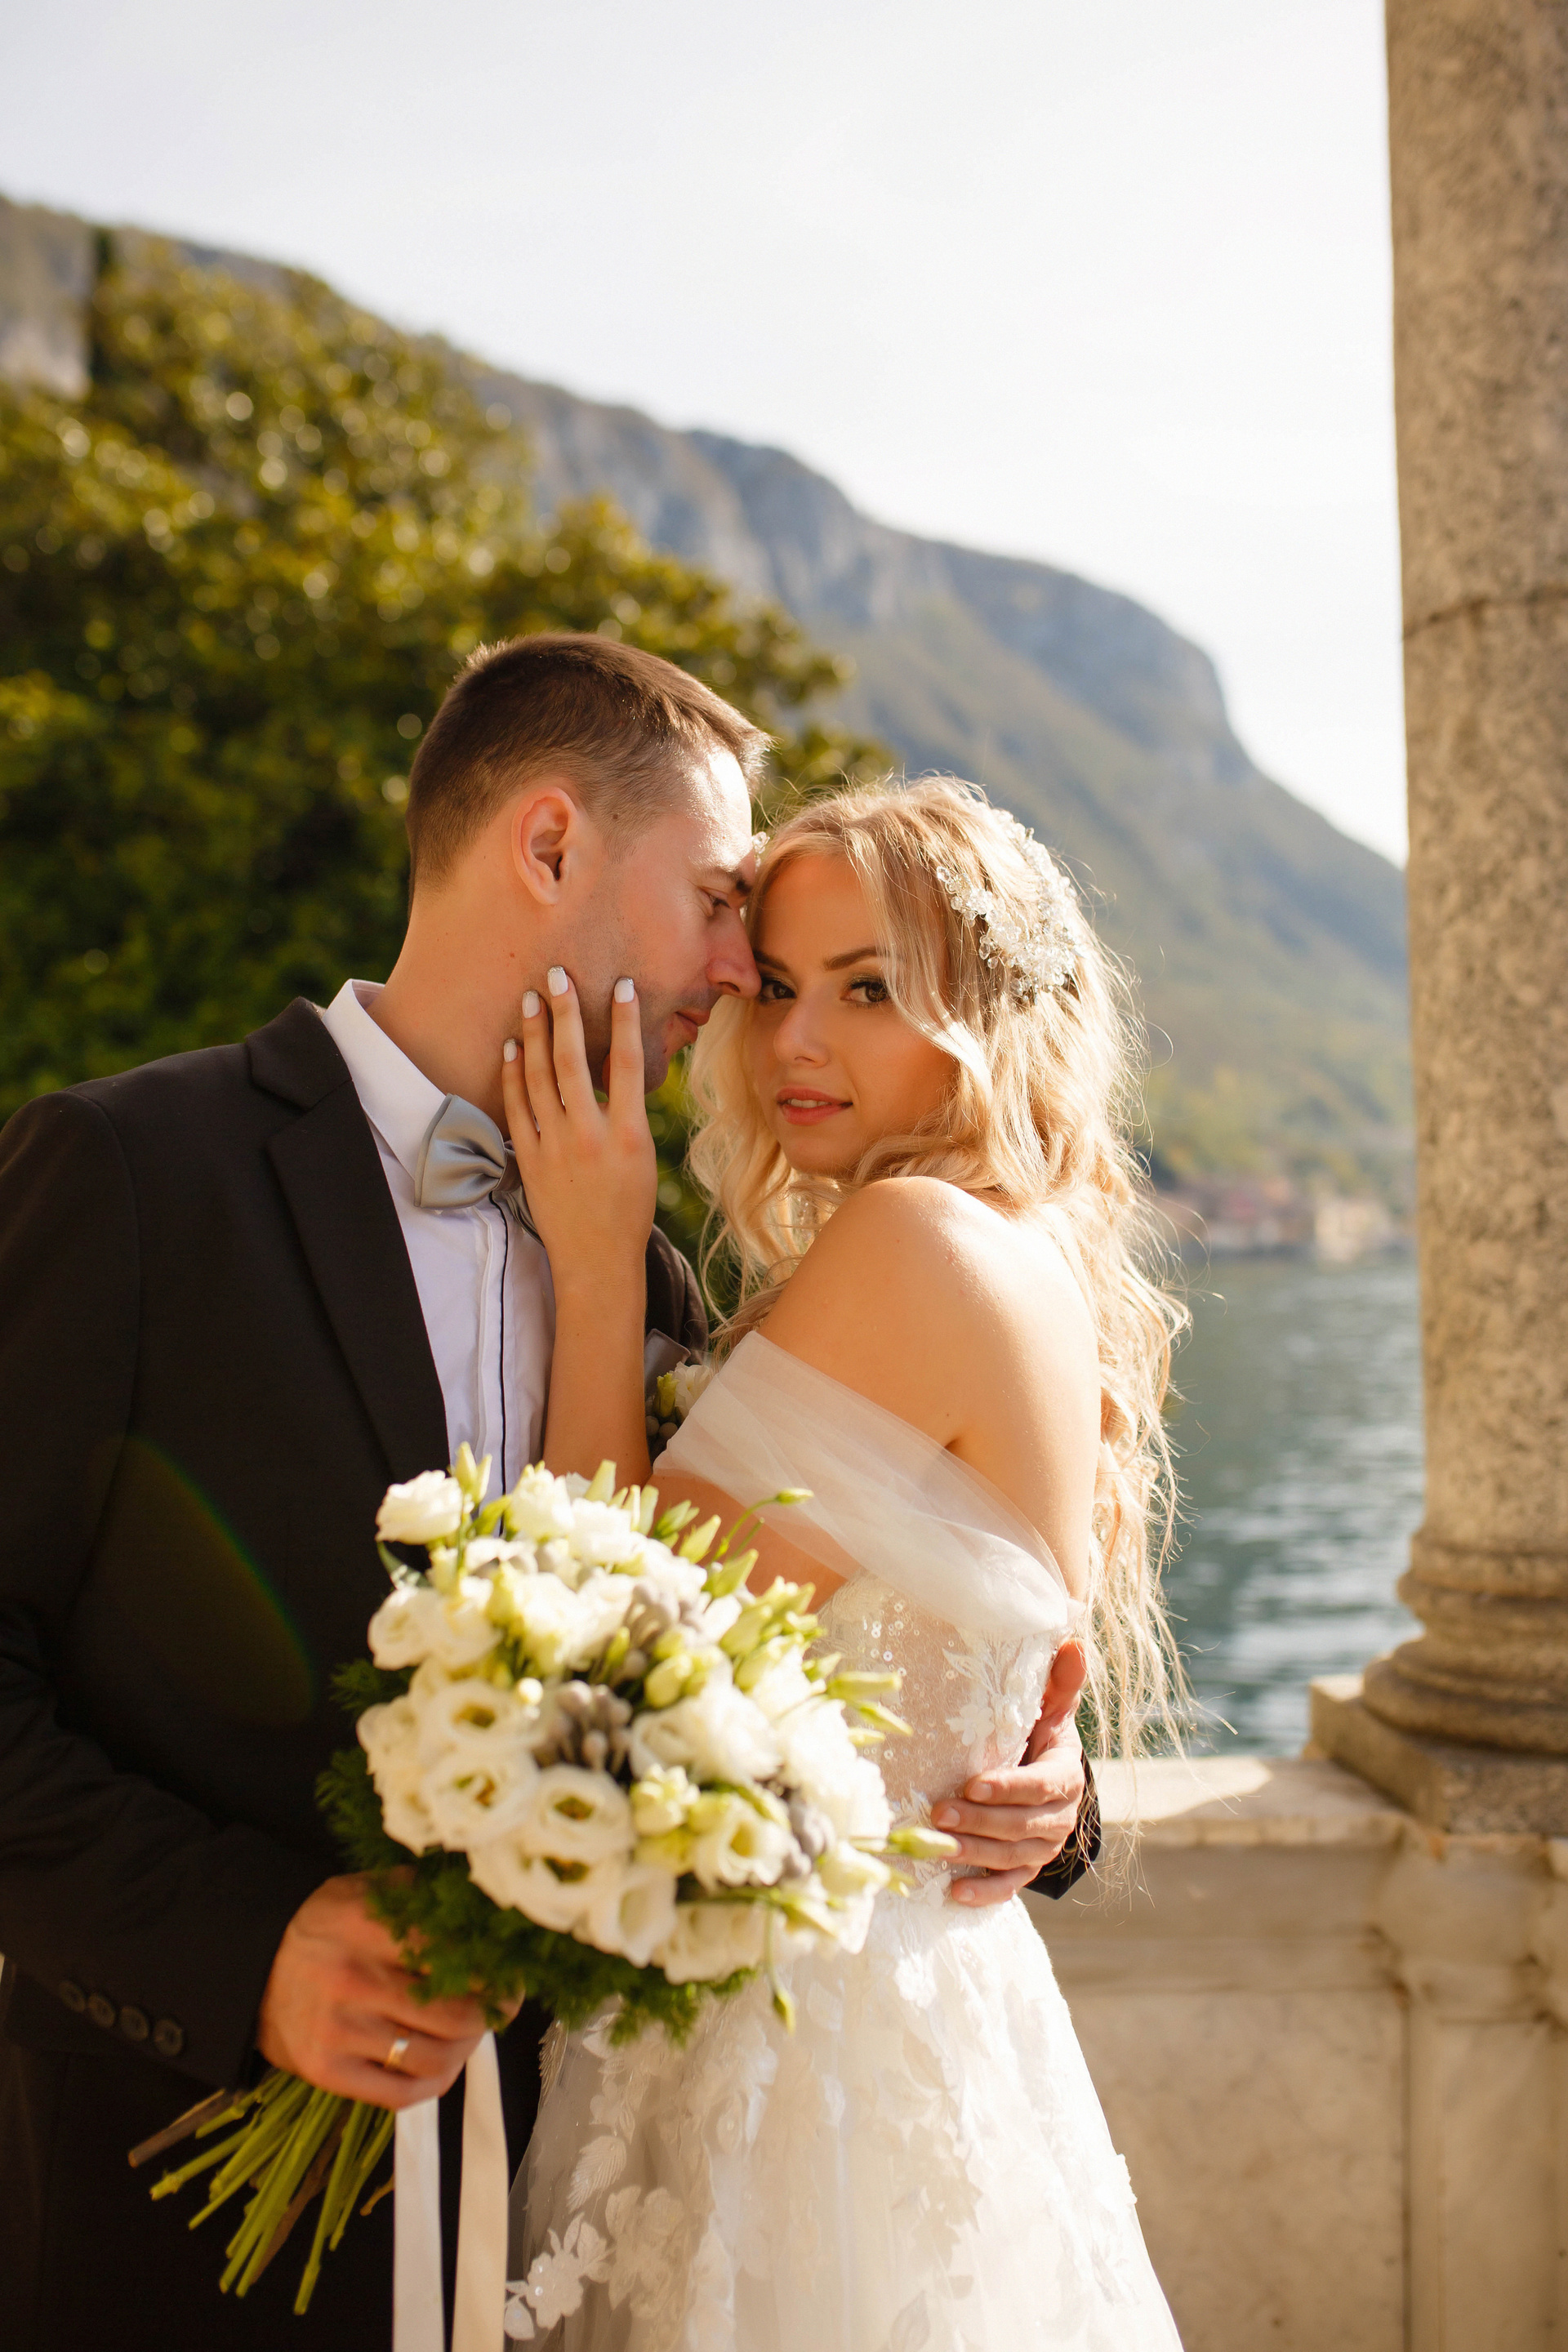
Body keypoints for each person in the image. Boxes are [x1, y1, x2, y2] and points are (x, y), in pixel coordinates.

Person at [0, 637, 1094, 2352]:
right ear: (553, 844)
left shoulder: (639, 1267)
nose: (739, 977)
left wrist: (1043, 1784)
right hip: (185, 2231)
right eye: (723, 906)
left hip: (589, 2212)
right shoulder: (137, 1174)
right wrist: (249, 1947)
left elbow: (817, 1628)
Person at [505, 775, 1185, 2350]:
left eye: (869, 990)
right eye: (780, 986)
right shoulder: (1025, 1254)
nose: (796, 1042)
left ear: (985, 1016)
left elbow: (625, 1653)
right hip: (928, 2023)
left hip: (801, 2062)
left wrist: (595, 1266)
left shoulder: (917, 1245)